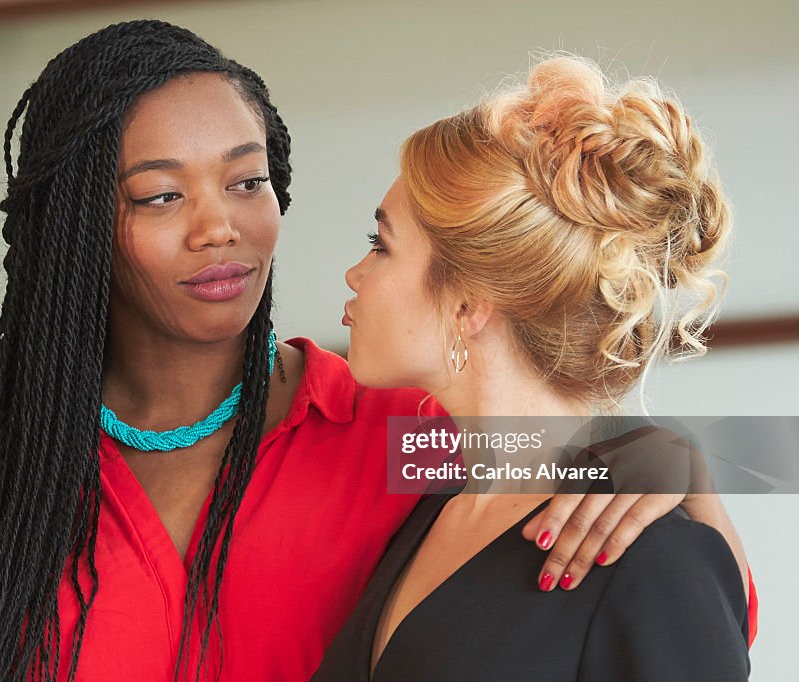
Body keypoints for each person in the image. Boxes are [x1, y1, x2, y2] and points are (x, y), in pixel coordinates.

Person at [0, 24, 753, 682]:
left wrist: (679, 457)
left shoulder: (391, 442)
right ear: (77, 232)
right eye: (160, 195)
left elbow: (658, 583)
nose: (222, 228)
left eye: (247, 181)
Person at [315, 55, 751, 680]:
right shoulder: (425, 501)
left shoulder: (657, 556)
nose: (356, 275)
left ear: (469, 304)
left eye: (380, 245)